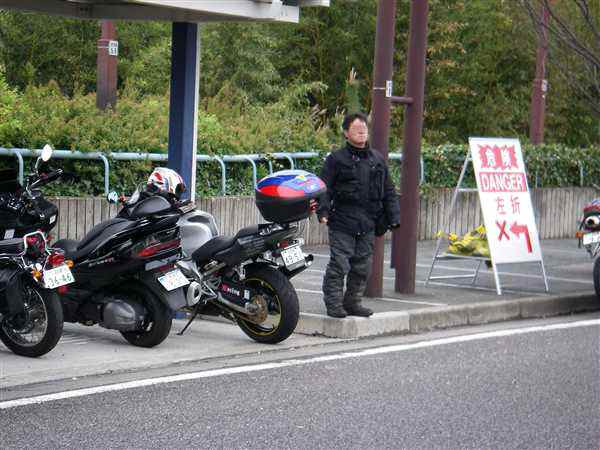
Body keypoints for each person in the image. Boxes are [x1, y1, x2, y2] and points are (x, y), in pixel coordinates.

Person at [317, 112, 400, 318]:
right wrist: (323, 211)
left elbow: (388, 190)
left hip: (368, 221)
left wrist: (393, 217)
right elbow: (323, 188)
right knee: (339, 264)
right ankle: (334, 304)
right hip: (342, 220)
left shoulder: (377, 159)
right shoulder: (336, 159)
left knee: (363, 267)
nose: (362, 131)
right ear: (346, 133)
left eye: (364, 128)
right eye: (357, 129)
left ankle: (353, 302)